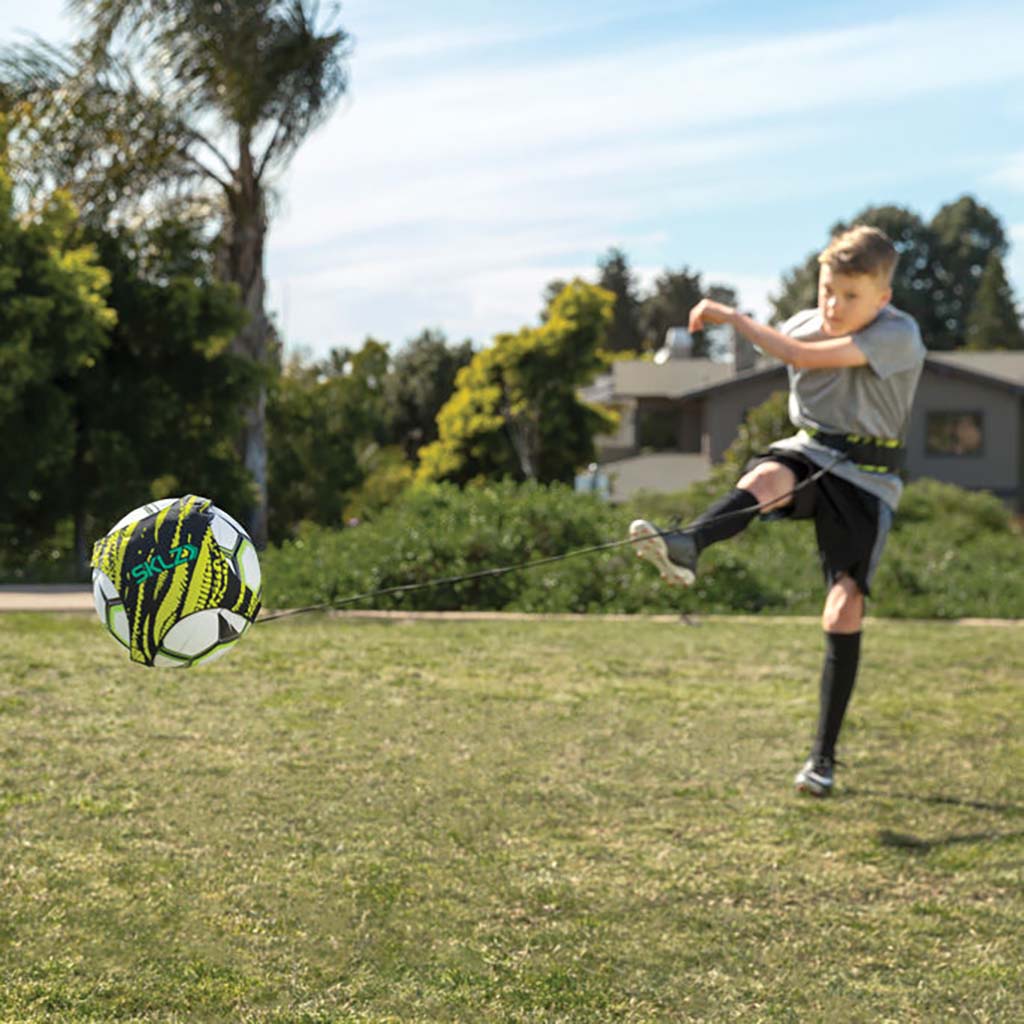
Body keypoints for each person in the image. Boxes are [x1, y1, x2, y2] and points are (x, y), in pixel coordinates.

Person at [629, 225, 926, 797]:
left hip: (868, 478)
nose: (833, 307)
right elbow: (788, 344)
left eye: (850, 296)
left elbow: (794, 355)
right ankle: (690, 545)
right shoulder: (801, 323)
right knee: (767, 474)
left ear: (882, 298)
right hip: (812, 450)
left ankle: (822, 760)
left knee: (843, 609)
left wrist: (736, 319)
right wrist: (745, 333)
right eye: (826, 291)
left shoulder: (898, 335)